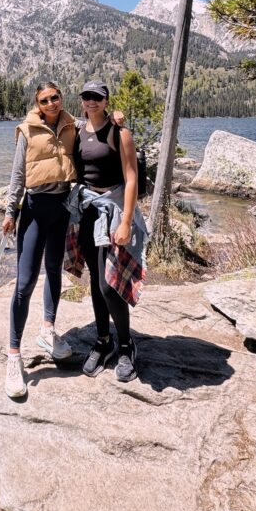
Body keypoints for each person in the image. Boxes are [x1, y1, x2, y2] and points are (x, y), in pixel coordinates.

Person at [66, 80, 148, 383]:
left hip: (112, 214)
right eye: (87, 97)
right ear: (81, 100)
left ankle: (127, 345)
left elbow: (131, 179)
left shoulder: (119, 133)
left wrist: (126, 221)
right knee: (95, 282)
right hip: (87, 213)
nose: (91, 102)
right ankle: (103, 341)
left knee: (108, 285)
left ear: (106, 100)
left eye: (97, 98)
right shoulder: (76, 131)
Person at [1, 81, 77, 399]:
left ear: (61, 98)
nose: (51, 103)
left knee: (55, 271)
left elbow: (96, 136)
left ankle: (47, 330)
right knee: (25, 283)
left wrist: (116, 119)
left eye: (55, 98)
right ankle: (13, 356)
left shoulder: (73, 126)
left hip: (61, 208)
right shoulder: (27, 130)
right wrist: (10, 211)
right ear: (37, 103)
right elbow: (18, 174)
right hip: (34, 209)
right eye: (45, 100)